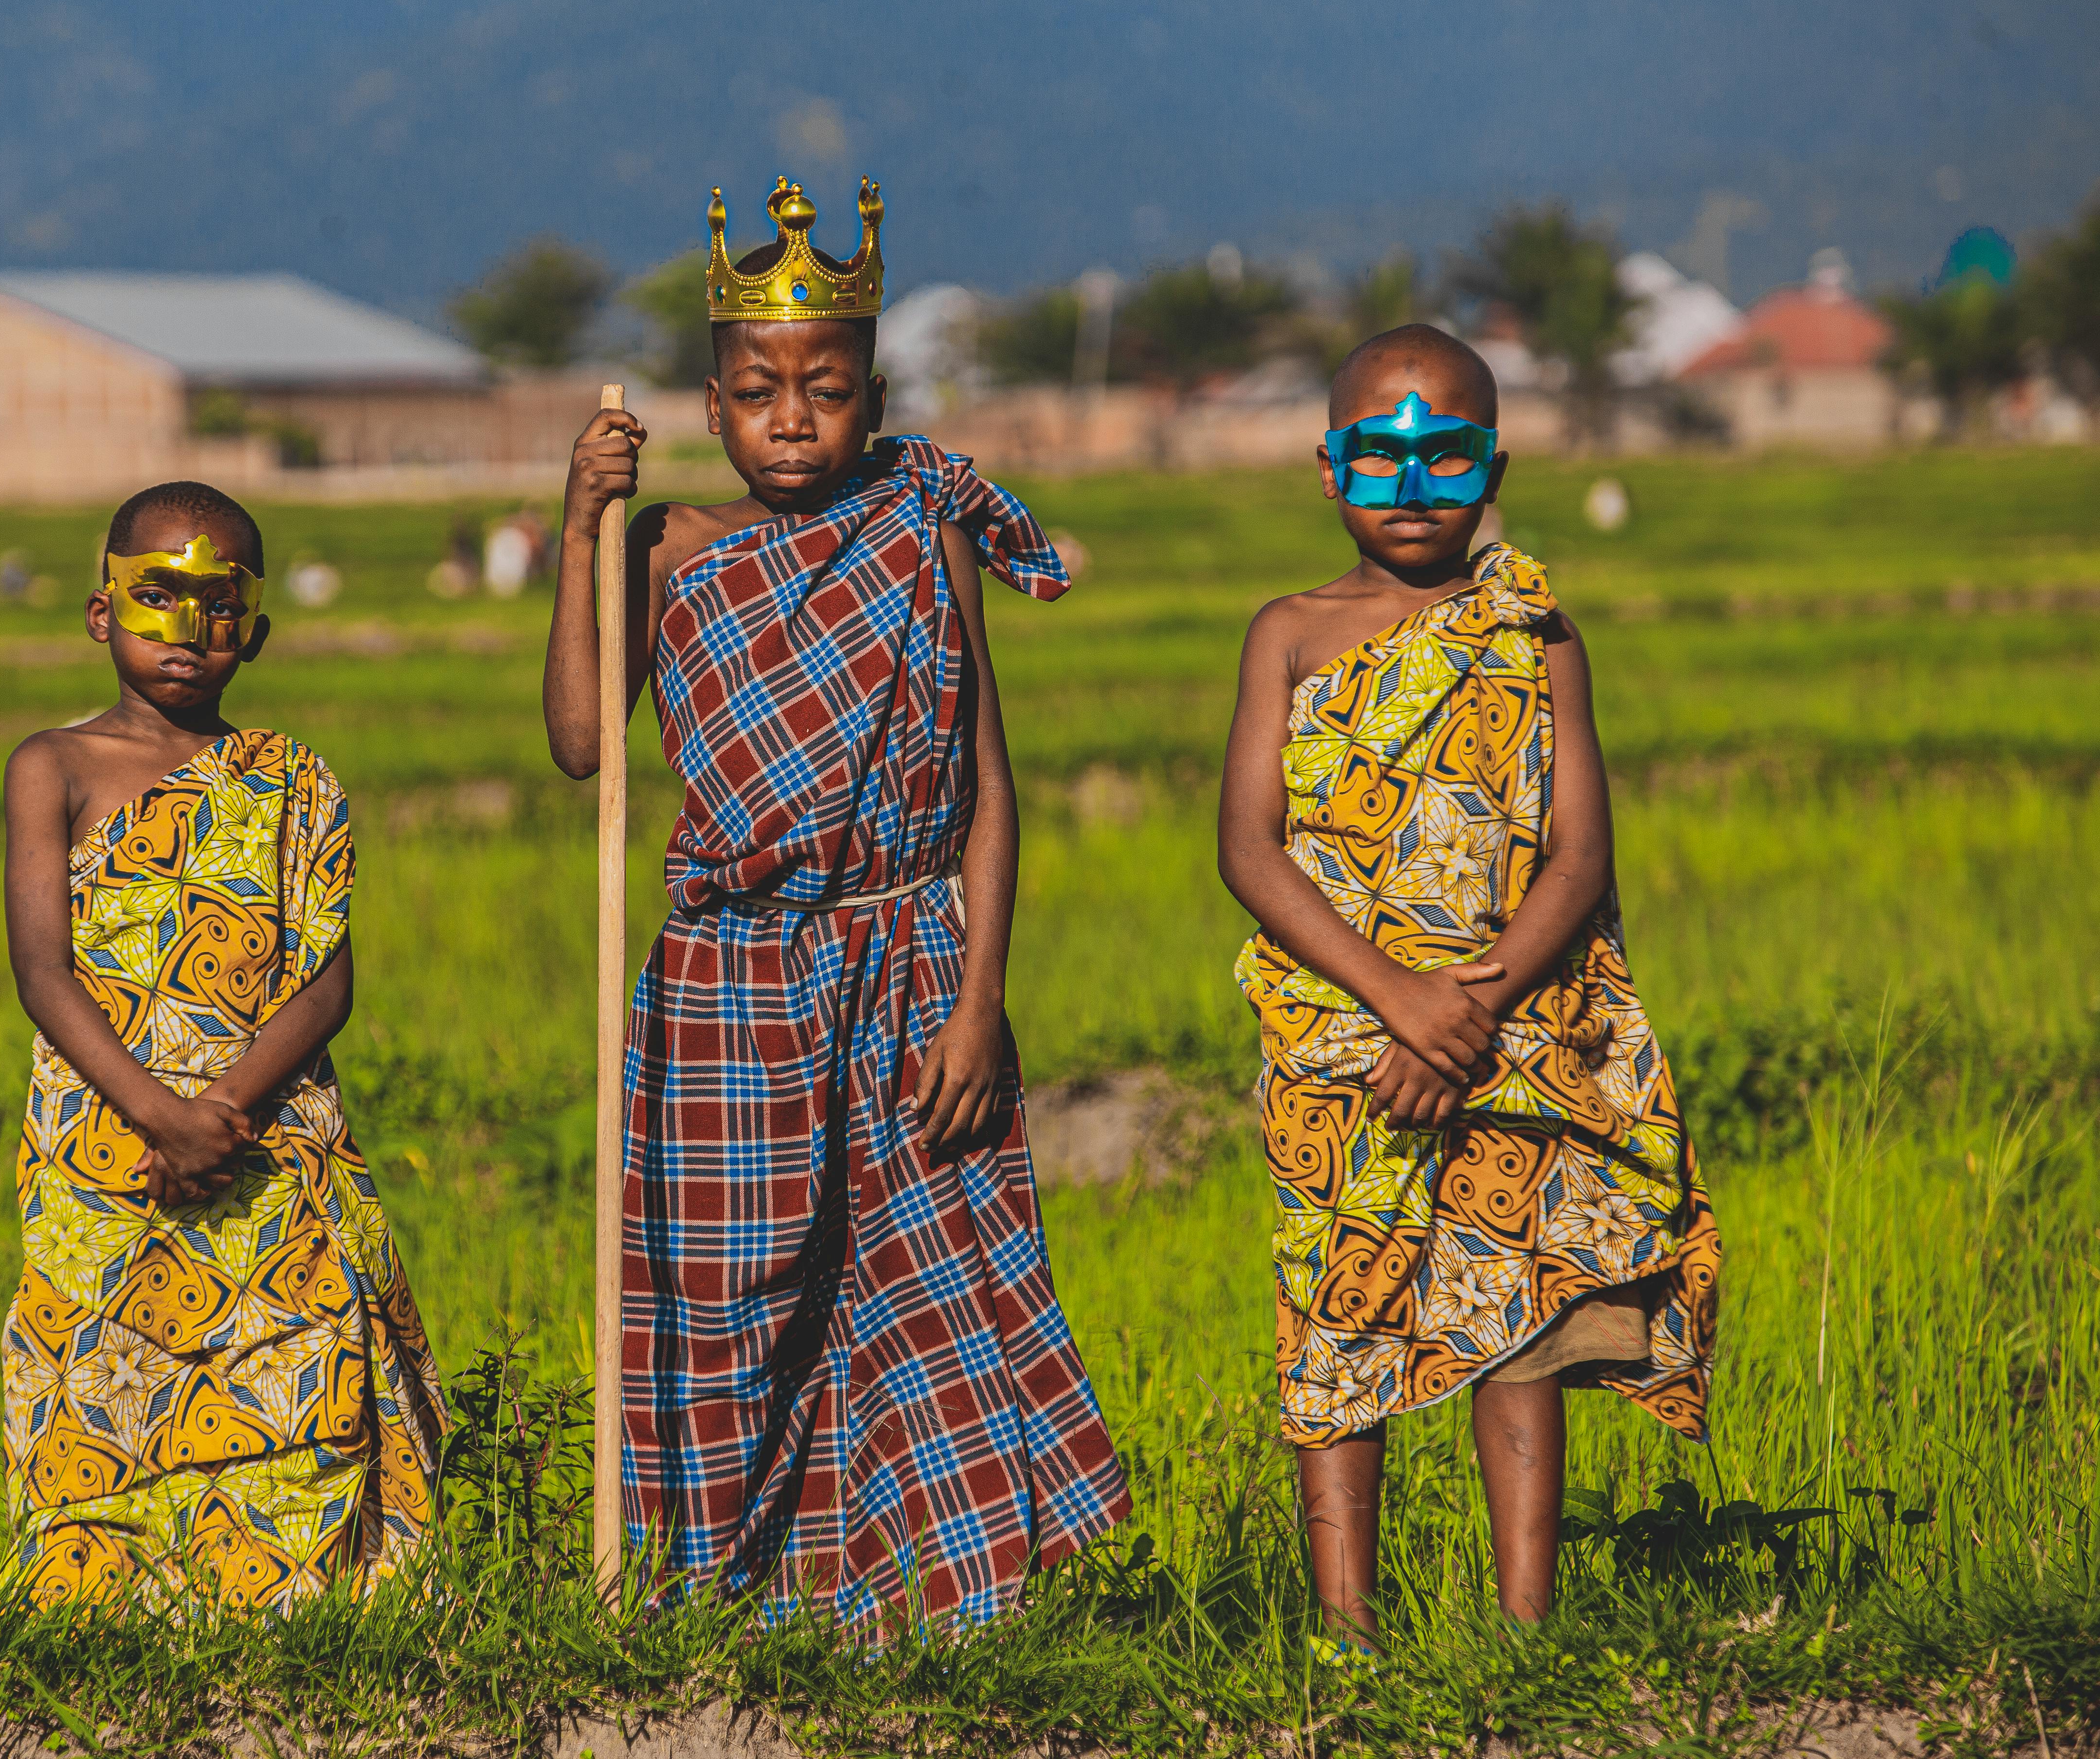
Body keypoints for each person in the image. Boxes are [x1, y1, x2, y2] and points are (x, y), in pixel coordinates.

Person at [544, 178, 1128, 1627]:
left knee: (930, 1289)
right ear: (710, 401)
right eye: (758, 394)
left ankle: (951, 1605)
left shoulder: (923, 530)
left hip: (914, 954)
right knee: (729, 1301)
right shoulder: (670, 547)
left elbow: (989, 784)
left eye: (825, 390)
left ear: (874, 397)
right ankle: (706, 1599)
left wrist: (983, 998)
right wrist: (579, 534)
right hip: (727, 984)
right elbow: (578, 744)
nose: (791, 420)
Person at [1216, 327, 1719, 1652]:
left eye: (1446, 456)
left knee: (1518, 1315)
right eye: (1381, 457)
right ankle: (1346, 1636)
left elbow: (1579, 853)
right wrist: (1397, 997)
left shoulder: (1535, 635)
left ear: (1492, 464)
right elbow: (1249, 851)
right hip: (1340, 1035)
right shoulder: (1289, 636)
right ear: (1331, 470)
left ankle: (1526, 1629)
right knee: (1341, 1311)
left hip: (1509, 1033)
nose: (1414, 483)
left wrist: (1470, 1007)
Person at [0, 480, 445, 1610]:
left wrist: (222, 1114)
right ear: (101, 613)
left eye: (218, 608)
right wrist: (158, 1112)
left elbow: (326, 983)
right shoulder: (51, 768)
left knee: (290, 1363)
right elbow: (44, 971)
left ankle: (300, 1609)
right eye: (157, 600)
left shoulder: (292, 780)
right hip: (106, 1144)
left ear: (254, 631)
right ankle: (105, 1617)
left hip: (268, 1137)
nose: (187, 635)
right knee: (106, 1374)